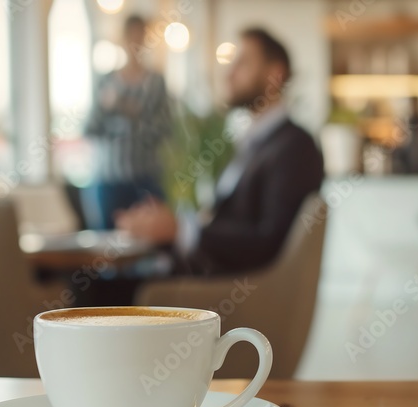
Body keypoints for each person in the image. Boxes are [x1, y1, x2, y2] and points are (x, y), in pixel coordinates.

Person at [116, 27, 324, 278]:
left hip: (231, 292)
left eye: (243, 63)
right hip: (197, 276)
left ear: (274, 75)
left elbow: (269, 242)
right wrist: (164, 226)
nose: (229, 73)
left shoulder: (295, 147)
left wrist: (181, 230)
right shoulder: (253, 143)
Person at [83, 15, 170, 230]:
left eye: (140, 35)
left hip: (146, 178)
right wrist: (111, 108)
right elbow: (90, 129)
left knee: (150, 247)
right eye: (130, 35)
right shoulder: (105, 81)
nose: (135, 41)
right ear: (122, 39)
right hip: (108, 179)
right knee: (106, 248)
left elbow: (165, 129)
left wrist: (125, 110)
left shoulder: (156, 82)